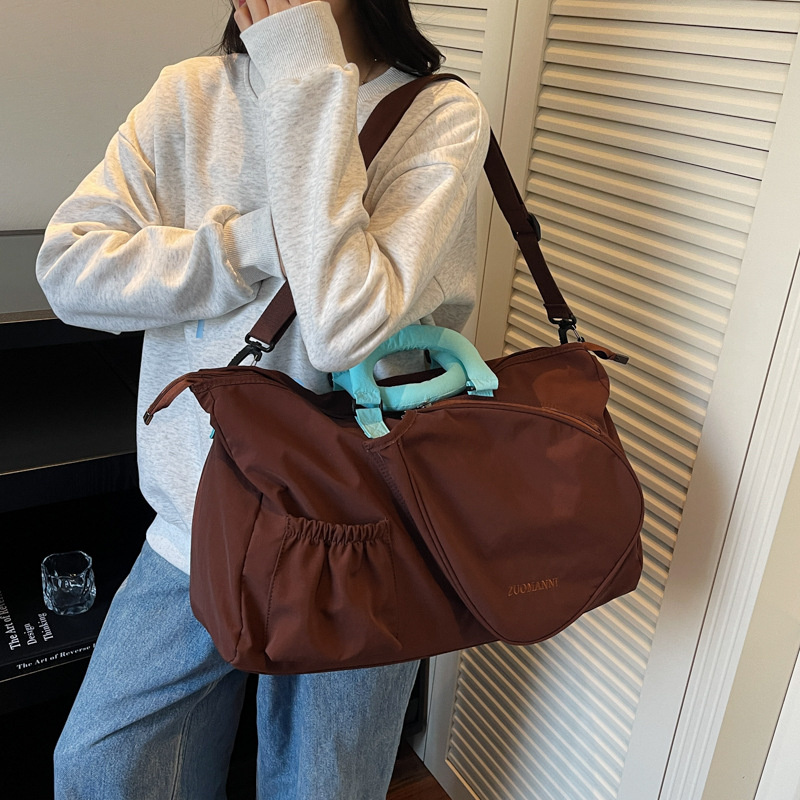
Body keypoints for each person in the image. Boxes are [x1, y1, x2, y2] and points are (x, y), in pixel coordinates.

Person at [36, 0, 490, 797]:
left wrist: (304, 70)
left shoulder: (437, 115)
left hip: (366, 534)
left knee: (325, 786)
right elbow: (69, 272)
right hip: (196, 526)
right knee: (102, 767)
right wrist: (251, 242)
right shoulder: (191, 93)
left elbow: (344, 324)